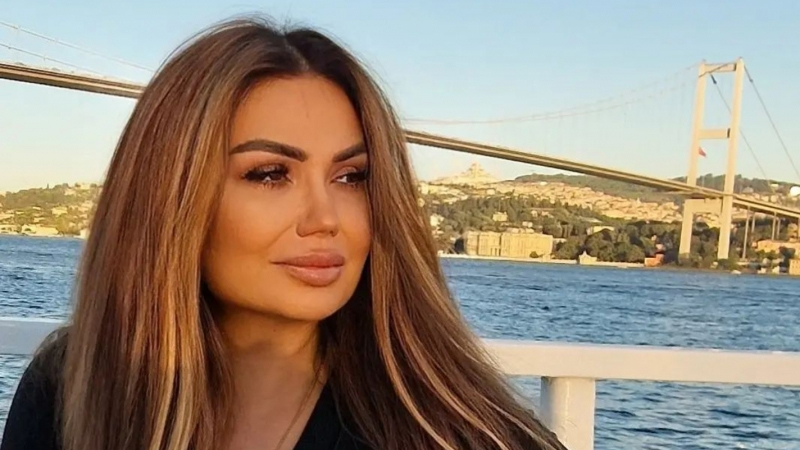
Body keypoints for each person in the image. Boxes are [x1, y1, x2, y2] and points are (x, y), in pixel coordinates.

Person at [1, 17, 567, 450]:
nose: (325, 217)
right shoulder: (67, 389)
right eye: (270, 174)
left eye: (352, 177)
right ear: (168, 199)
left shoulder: (462, 436)